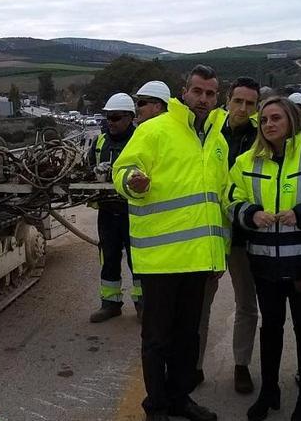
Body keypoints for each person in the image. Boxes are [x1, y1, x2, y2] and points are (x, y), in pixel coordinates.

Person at [113, 65, 229, 421]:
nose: (203, 100)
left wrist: (218, 256)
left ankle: (180, 398)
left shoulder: (218, 141)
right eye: (198, 92)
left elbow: (220, 200)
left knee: (187, 338)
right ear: (184, 92)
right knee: (157, 339)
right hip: (161, 259)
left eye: (210, 94)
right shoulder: (155, 130)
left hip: (199, 260)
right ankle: (157, 405)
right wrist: (132, 181)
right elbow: (122, 170)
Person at [228, 96, 301, 421]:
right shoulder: (246, 161)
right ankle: (269, 391)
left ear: (292, 120)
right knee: (271, 329)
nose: (269, 125)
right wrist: (249, 214)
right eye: (264, 120)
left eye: (276, 118)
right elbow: (231, 198)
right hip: (265, 265)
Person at [198, 77, 260, 394]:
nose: (243, 108)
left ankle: (241, 365)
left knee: (247, 304)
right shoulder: (209, 130)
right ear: (228, 100)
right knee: (200, 305)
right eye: (238, 101)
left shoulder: (263, 137)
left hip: (245, 234)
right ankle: (192, 367)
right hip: (211, 231)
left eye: (250, 103)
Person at [88, 92, 140, 323]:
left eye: (116, 117)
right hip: (108, 211)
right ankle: (110, 303)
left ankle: (143, 304)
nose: (111, 122)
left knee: (137, 260)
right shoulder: (100, 141)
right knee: (108, 257)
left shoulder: (141, 139)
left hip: (134, 212)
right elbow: (88, 169)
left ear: (130, 118)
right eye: (108, 117)